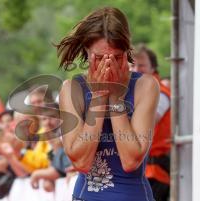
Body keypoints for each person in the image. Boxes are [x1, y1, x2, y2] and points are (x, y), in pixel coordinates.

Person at [57, 7, 160, 201]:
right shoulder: (72, 89)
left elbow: (131, 161)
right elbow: (81, 162)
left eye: (117, 58)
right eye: (99, 58)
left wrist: (115, 97)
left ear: (127, 52)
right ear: (87, 52)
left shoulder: (145, 85)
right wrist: (98, 98)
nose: (108, 65)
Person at [133, 44, 171, 201]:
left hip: (154, 170)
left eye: (141, 65)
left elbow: (149, 119)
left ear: (153, 67)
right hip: (138, 169)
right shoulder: (135, 91)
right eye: (132, 64)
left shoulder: (161, 92)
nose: (136, 69)